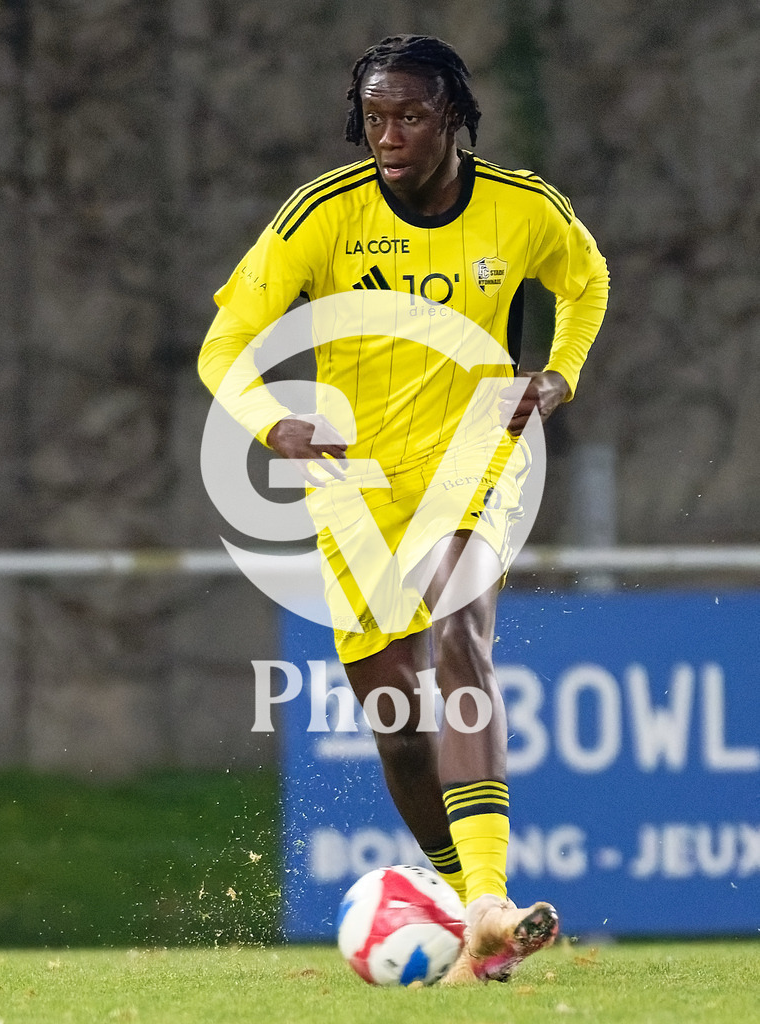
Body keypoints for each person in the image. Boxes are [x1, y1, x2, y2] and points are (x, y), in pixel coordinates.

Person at [199, 34, 609, 984]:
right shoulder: (321, 217)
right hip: (354, 488)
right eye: (375, 116)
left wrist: (555, 381)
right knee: (396, 717)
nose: (389, 134)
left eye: (411, 115)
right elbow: (225, 343)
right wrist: (272, 426)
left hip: (477, 461)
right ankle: (477, 921)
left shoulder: (525, 210)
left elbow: (585, 285)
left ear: (455, 118)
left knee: (462, 635)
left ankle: (491, 898)